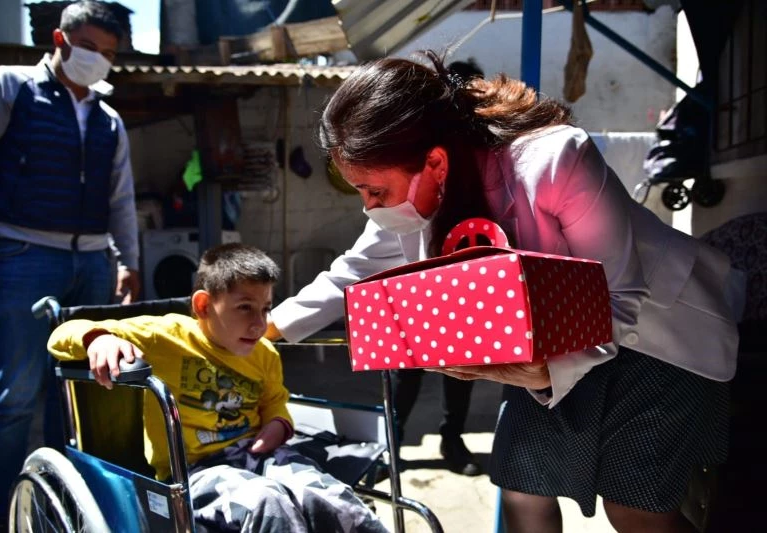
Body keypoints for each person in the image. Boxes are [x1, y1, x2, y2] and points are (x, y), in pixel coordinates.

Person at [266, 50, 743, 533]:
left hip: (655, 335)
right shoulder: (414, 194)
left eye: (374, 192)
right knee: (522, 491)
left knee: (634, 509)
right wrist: (265, 328)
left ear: (435, 162)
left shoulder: (555, 159)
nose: (370, 207)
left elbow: (619, 293)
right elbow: (353, 271)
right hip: (553, 348)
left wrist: (544, 371)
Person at [48, 243, 388, 533]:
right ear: (203, 306)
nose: (259, 324)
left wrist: (277, 424)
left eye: (265, 309)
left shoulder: (264, 353)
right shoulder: (165, 336)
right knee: (267, 502)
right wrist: (99, 338)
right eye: (245, 308)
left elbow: (275, 401)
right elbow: (62, 334)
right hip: (194, 470)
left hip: (259, 453)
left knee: (330, 497)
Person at [0, 2, 140, 529]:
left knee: (76, 397)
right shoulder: (6, 87)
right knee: (15, 394)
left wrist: (128, 261)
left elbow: (121, 199)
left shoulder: (108, 119)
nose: (97, 59)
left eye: (108, 53)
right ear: (60, 40)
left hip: (92, 263)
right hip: (23, 256)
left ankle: (61, 508)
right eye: (88, 47)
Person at [381, 57, 489, 477]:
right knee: (404, 371)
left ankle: (451, 440)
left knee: (461, 371)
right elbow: (371, 247)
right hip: (415, 288)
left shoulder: (482, 155)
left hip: (465, 286)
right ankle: (392, 445)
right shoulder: (414, 154)